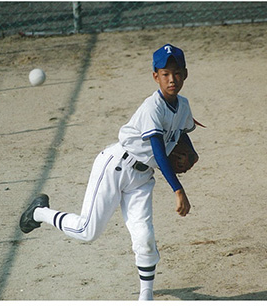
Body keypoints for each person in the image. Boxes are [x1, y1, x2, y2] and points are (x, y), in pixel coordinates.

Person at [20, 43, 197, 300]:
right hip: (115, 166)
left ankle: (145, 299)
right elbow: (158, 149)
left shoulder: (183, 105)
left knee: (145, 238)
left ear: (185, 73)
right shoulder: (153, 107)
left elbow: (181, 133)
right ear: (155, 76)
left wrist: (190, 152)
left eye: (177, 72)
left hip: (142, 178)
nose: (172, 79)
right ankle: (38, 211)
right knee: (86, 231)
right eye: (165, 73)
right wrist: (178, 189)